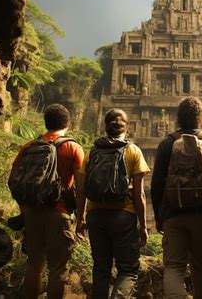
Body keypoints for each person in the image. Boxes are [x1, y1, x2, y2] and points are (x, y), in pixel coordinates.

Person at [151, 96, 202, 299]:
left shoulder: (167, 143)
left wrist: (159, 216)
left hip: (173, 214)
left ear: (178, 118)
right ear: (201, 117)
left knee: (174, 268)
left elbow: (155, 185)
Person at [9, 104, 84, 299]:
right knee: (57, 269)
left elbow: (13, 181)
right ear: (67, 123)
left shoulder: (29, 147)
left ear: (46, 122)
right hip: (59, 213)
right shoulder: (73, 147)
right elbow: (82, 187)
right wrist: (82, 216)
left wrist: (25, 208)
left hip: (32, 212)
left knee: (34, 265)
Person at [75, 108, 149, 299]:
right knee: (128, 270)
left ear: (105, 126)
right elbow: (139, 193)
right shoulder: (132, 151)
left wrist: (80, 218)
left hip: (95, 215)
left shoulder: (92, 152)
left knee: (100, 268)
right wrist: (143, 225)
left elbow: (81, 189)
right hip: (123, 215)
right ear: (127, 127)